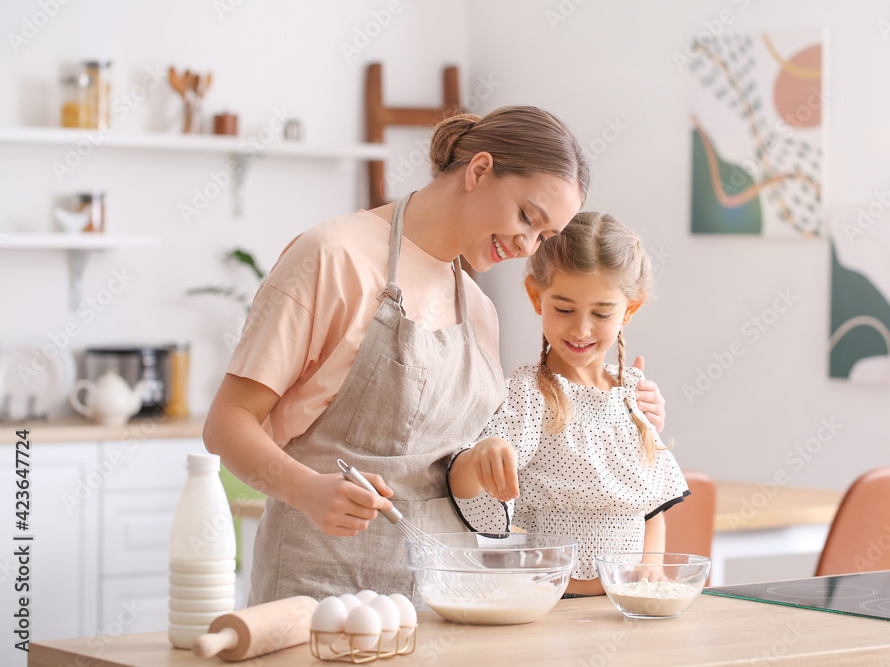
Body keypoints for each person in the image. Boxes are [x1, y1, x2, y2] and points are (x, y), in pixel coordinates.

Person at [203, 106, 667, 605]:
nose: (525, 244)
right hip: (320, 587)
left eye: (543, 237)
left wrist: (623, 413)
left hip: (442, 594)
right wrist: (305, 490)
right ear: (480, 170)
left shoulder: (480, 312)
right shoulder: (332, 258)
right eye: (526, 217)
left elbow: (502, 461)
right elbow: (228, 423)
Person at [448, 212, 689, 596]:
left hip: (627, 604)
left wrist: (652, 570)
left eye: (602, 312)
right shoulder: (528, 395)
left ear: (629, 309)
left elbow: (653, 505)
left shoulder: (633, 395)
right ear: (535, 296)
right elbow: (472, 493)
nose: (581, 329)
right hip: (550, 606)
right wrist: (481, 456)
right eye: (563, 309)